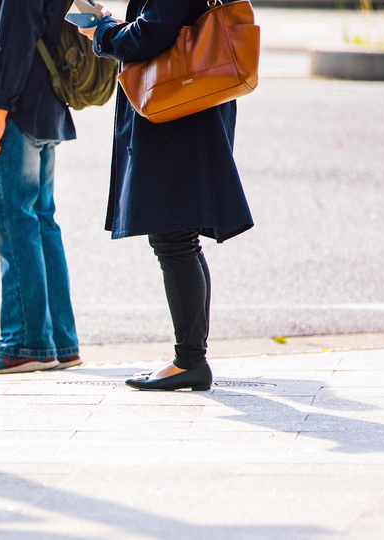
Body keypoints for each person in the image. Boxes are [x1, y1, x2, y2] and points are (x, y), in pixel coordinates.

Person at [81, 0, 254, 391]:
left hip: (178, 108)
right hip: (190, 100)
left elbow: (152, 34)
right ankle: (191, 358)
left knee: (173, 236)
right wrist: (119, 27)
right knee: (180, 237)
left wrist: (102, 32)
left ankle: (190, 361)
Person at [0, 0, 81, 375]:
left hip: (17, 111)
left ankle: (25, 344)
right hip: (48, 107)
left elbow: (14, 38)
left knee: (14, 225)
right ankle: (60, 343)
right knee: (42, 224)